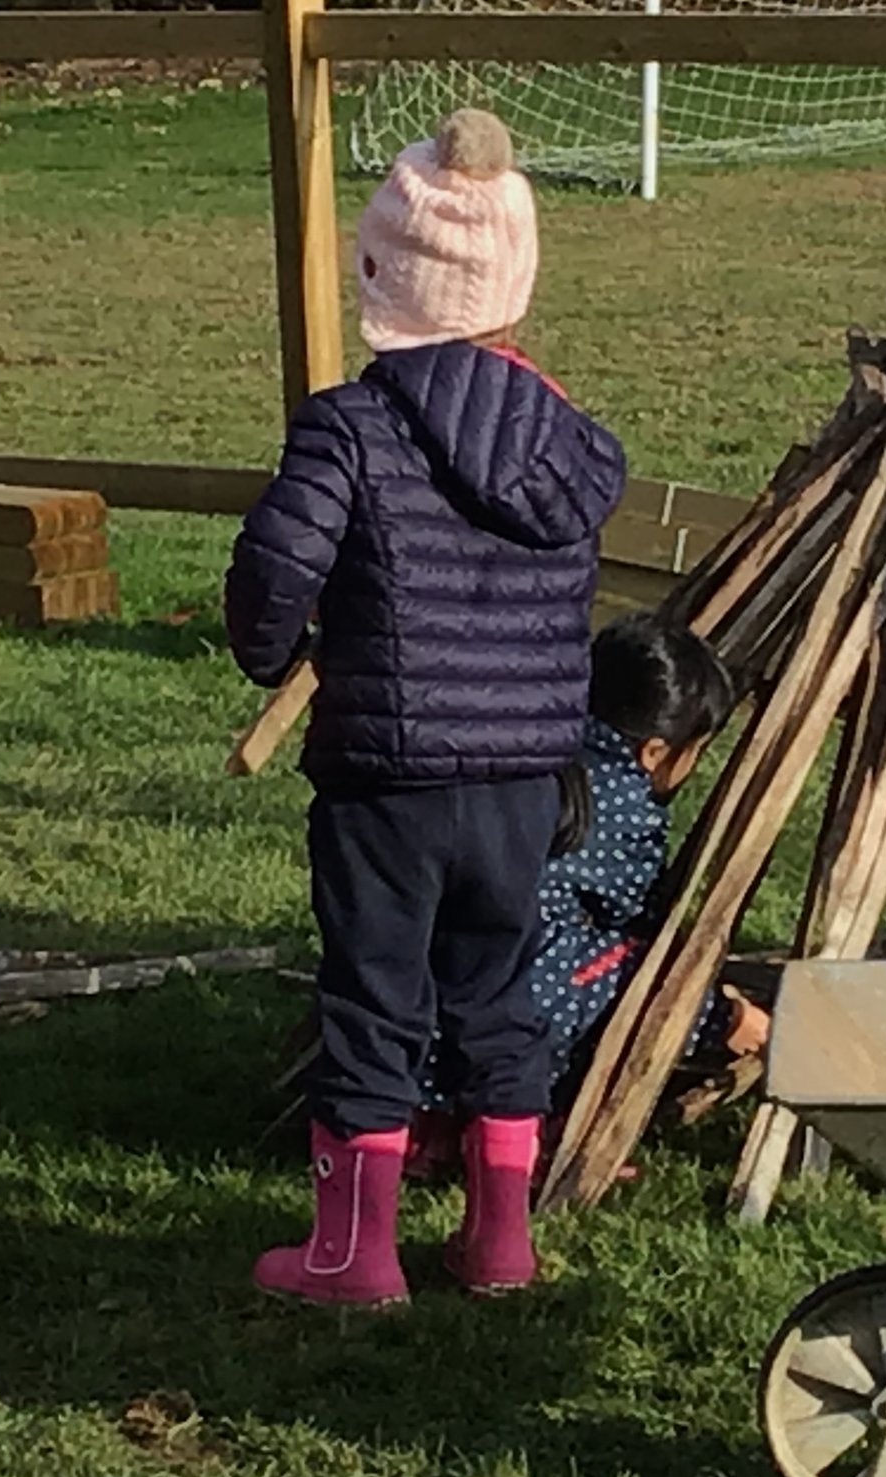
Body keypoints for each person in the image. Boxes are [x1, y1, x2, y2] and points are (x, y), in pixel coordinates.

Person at [225, 109, 624, 1307]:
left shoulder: (349, 428)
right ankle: (500, 1240)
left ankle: (354, 1255)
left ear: (379, 270)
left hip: (387, 778)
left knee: (374, 995)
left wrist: (268, 649)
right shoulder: (567, 445)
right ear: (517, 277)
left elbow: (274, 572)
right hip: (523, 780)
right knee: (498, 990)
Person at [414, 614, 769, 1175]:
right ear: (656, 752)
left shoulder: (539, 751)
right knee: (642, 966)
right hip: (520, 1002)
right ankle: (534, 1126)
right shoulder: (625, 809)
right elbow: (639, 941)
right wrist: (719, 1013)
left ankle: (435, 1128)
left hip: (429, 983)